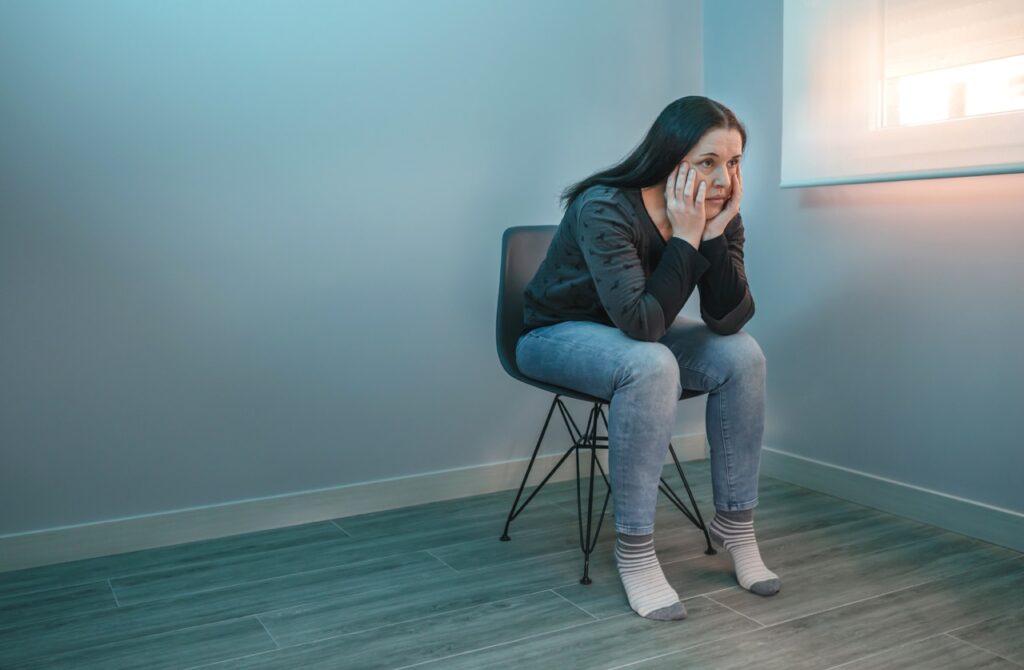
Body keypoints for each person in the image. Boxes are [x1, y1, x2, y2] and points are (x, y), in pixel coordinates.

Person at [515, 96, 780, 622]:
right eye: (708, 162)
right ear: (670, 155)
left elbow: (729, 319)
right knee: (651, 362)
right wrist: (684, 238)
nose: (724, 177)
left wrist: (714, 232)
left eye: (733, 163)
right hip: (556, 334)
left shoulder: (718, 211)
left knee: (743, 355)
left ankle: (737, 525)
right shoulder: (605, 206)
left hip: (631, 333)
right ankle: (635, 551)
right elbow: (643, 327)